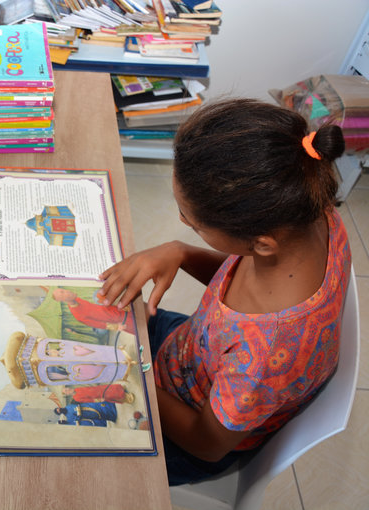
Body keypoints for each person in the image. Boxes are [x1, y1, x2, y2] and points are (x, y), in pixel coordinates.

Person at [96, 98, 351, 486]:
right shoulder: (307, 209)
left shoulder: (264, 356)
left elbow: (207, 443)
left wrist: (131, 376)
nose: (181, 220)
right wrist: (180, 252)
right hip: (192, 349)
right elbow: (238, 287)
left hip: (188, 432)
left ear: (261, 243)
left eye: (192, 223)